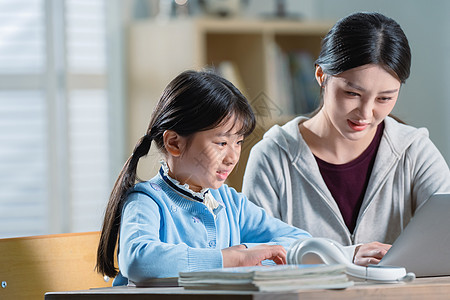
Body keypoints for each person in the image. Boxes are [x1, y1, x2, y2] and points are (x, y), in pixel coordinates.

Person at [242, 12, 450, 266]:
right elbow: (255, 259)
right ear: (321, 75)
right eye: (352, 93)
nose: (366, 113)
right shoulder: (272, 157)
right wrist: (344, 256)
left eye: (384, 98)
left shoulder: (415, 152)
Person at [95, 70, 313, 286]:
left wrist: (247, 252)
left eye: (238, 142)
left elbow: (301, 241)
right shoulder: (146, 201)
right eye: (221, 143)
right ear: (174, 143)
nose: (232, 157)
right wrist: (231, 259)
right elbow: (139, 260)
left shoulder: (230, 203)